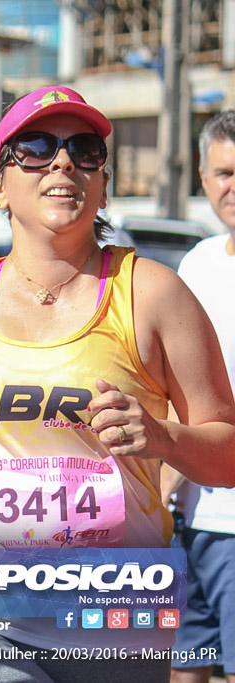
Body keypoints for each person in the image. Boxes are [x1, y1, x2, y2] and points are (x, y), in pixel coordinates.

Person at [0, 85, 235, 681]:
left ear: (103, 184)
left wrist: (164, 438)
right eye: (34, 148)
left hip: (114, 607)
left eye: (84, 150)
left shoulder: (155, 294)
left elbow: (229, 454)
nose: (62, 163)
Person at [164, 109, 235, 683]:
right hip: (191, 515)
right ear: (203, 178)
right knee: (186, 668)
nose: (232, 187)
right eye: (222, 173)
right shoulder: (198, 262)